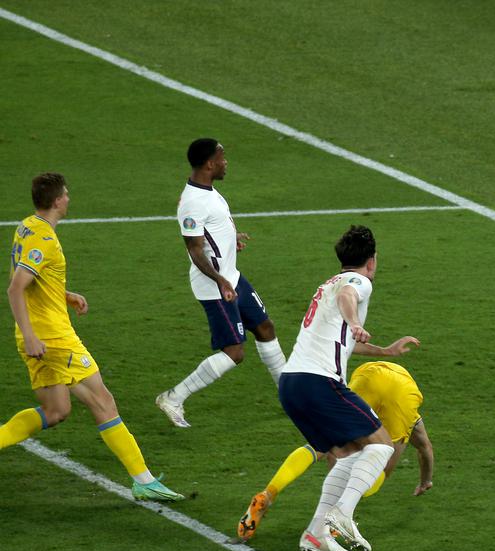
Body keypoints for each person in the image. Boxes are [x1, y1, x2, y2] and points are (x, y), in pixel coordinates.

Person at [2, 173, 183, 501]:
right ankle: (142, 479)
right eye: (66, 195)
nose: (69, 198)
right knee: (103, 400)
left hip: (40, 332)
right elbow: (15, 288)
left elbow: (33, 280)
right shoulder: (43, 239)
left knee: (56, 411)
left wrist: (64, 294)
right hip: (52, 338)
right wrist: (31, 335)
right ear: (57, 201)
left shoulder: (27, 225)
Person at [277, 225, 417, 551]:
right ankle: (341, 515)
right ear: (372, 260)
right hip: (318, 382)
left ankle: (315, 534)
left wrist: (385, 352)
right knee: (382, 446)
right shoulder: (357, 283)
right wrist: (355, 322)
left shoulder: (327, 284)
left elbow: (341, 343)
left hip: (292, 383)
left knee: (352, 454)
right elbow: (348, 298)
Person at [155, 138, 287, 428]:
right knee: (234, 352)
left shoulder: (208, 192)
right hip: (215, 285)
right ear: (209, 163)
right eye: (222, 157)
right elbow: (194, 249)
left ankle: (291, 397)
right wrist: (220, 280)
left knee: (265, 328)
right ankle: (174, 397)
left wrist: (232, 239)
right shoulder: (191, 203)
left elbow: (213, 232)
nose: (226, 162)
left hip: (231, 277)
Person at [238, 360, 433, 541]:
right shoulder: (413, 417)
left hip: (370, 374)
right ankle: (335, 517)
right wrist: (426, 481)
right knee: (380, 466)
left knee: (323, 444)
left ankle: (269, 493)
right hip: (403, 393)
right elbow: (425, 447)